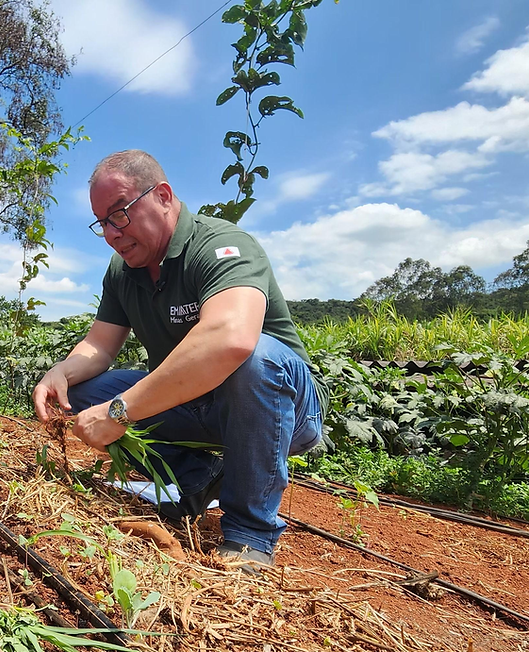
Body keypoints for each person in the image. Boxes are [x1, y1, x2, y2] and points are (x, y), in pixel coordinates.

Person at [32, 150, 326, 571]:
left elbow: (231, 339)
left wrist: (120, 411)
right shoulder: (122, 271)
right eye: (102, 222)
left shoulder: (221, 245)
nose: (112, 233)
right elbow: (99, 345)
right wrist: (60, 372)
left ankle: (249, 533)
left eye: (120, 214)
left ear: (164, 196)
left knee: (254, 357)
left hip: (280, 408)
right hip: (197, 405)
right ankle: (196, 478)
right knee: (82, 391)